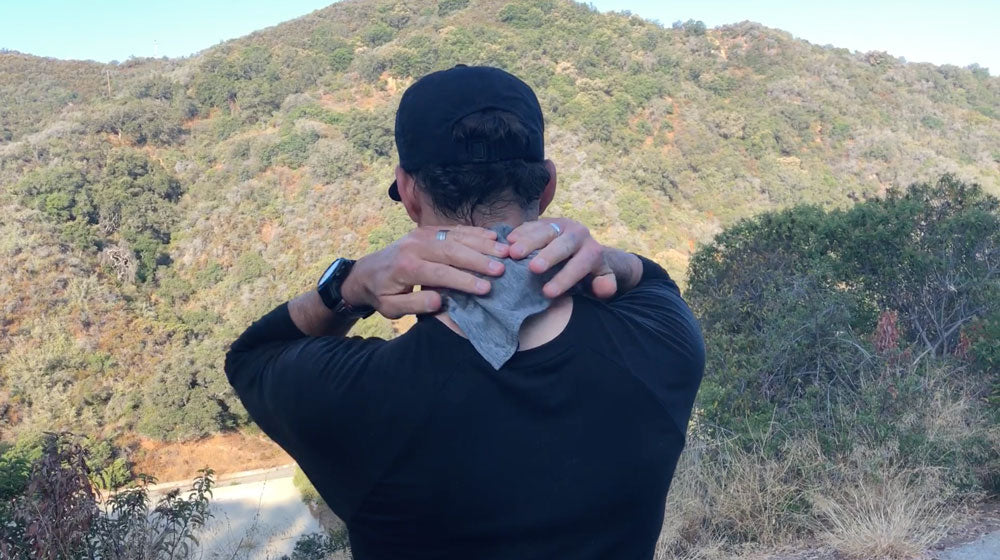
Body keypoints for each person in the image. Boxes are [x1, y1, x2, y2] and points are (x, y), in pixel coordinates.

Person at [225, 65, 705, 560]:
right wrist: (608, 262)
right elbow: (655, 281)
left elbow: (250, 356)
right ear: (546, 188)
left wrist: (351, 285)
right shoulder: (664, 347)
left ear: (409, 194)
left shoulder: (353, 400)